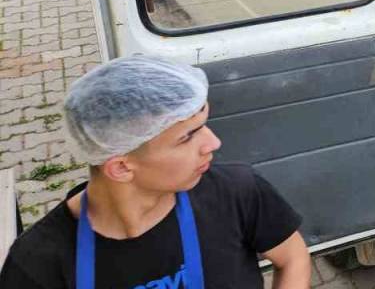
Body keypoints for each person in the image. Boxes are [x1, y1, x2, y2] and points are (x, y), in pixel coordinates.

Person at [0, 56, 310, 289]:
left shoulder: (237, 193)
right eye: (188, 136)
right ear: (121, 167)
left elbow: (293, 257)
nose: (213, 143)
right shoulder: (38, 264)